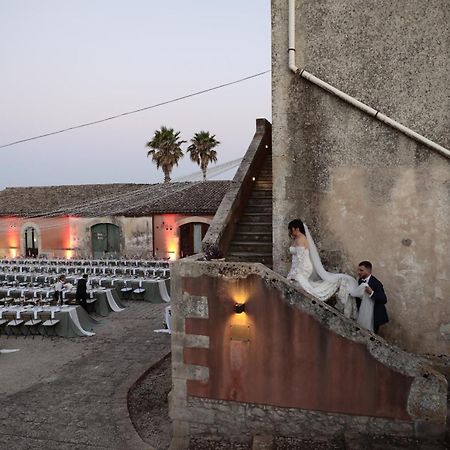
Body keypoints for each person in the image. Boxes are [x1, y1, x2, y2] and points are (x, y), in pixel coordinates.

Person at [286, 219, 357, 314]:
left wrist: (294, 274)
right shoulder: (299, 238)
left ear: (297, 229)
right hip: (301, 266)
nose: (290, 232)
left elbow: (300, 259)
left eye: (291, 229)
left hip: (302, 267)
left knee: (304, 286)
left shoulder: (300, 239)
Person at [354, 261, 388, 334]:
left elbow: (384, 299)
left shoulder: (376, 283)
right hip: (363, 313)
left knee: (372, 335)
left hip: (375, 314)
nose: (358, 272)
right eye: (358, 270)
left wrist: (371, 293)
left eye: (361, 270)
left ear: (368, 271)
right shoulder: (360, 280)